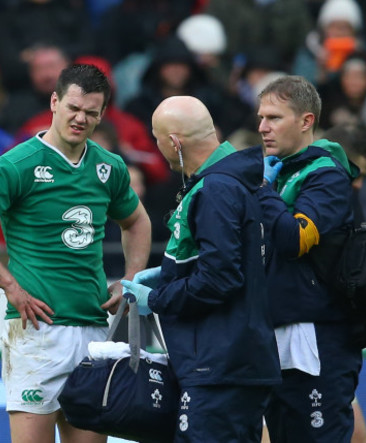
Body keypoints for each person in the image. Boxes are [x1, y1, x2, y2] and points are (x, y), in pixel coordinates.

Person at [0, 64, 152, 443]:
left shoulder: (109, 166)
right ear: (54, 102)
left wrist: (131, 280)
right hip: (37, 331)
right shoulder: (19, 164)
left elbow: (137, 221)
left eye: (91, 112)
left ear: (102, 114)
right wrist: (9, 285)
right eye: (73, 107)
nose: (80, 118)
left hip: (93, 328)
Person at [120, 96, 281, 442]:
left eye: (158, 140)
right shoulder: (234, 181)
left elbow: (220, 278)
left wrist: (159, 297)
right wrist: (167, 275)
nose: (158, 149)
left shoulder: (216, 189)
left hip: (219, 364)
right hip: (233, 359)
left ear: (175, 142)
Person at [255, 75, 366, 442]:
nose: (262, 128)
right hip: (275, 330)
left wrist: (265, 192)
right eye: (260, 118)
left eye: (274, 118)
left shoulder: (327, 176)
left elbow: (294, 239)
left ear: (306, 121)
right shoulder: (275, 170)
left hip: (319, 333)